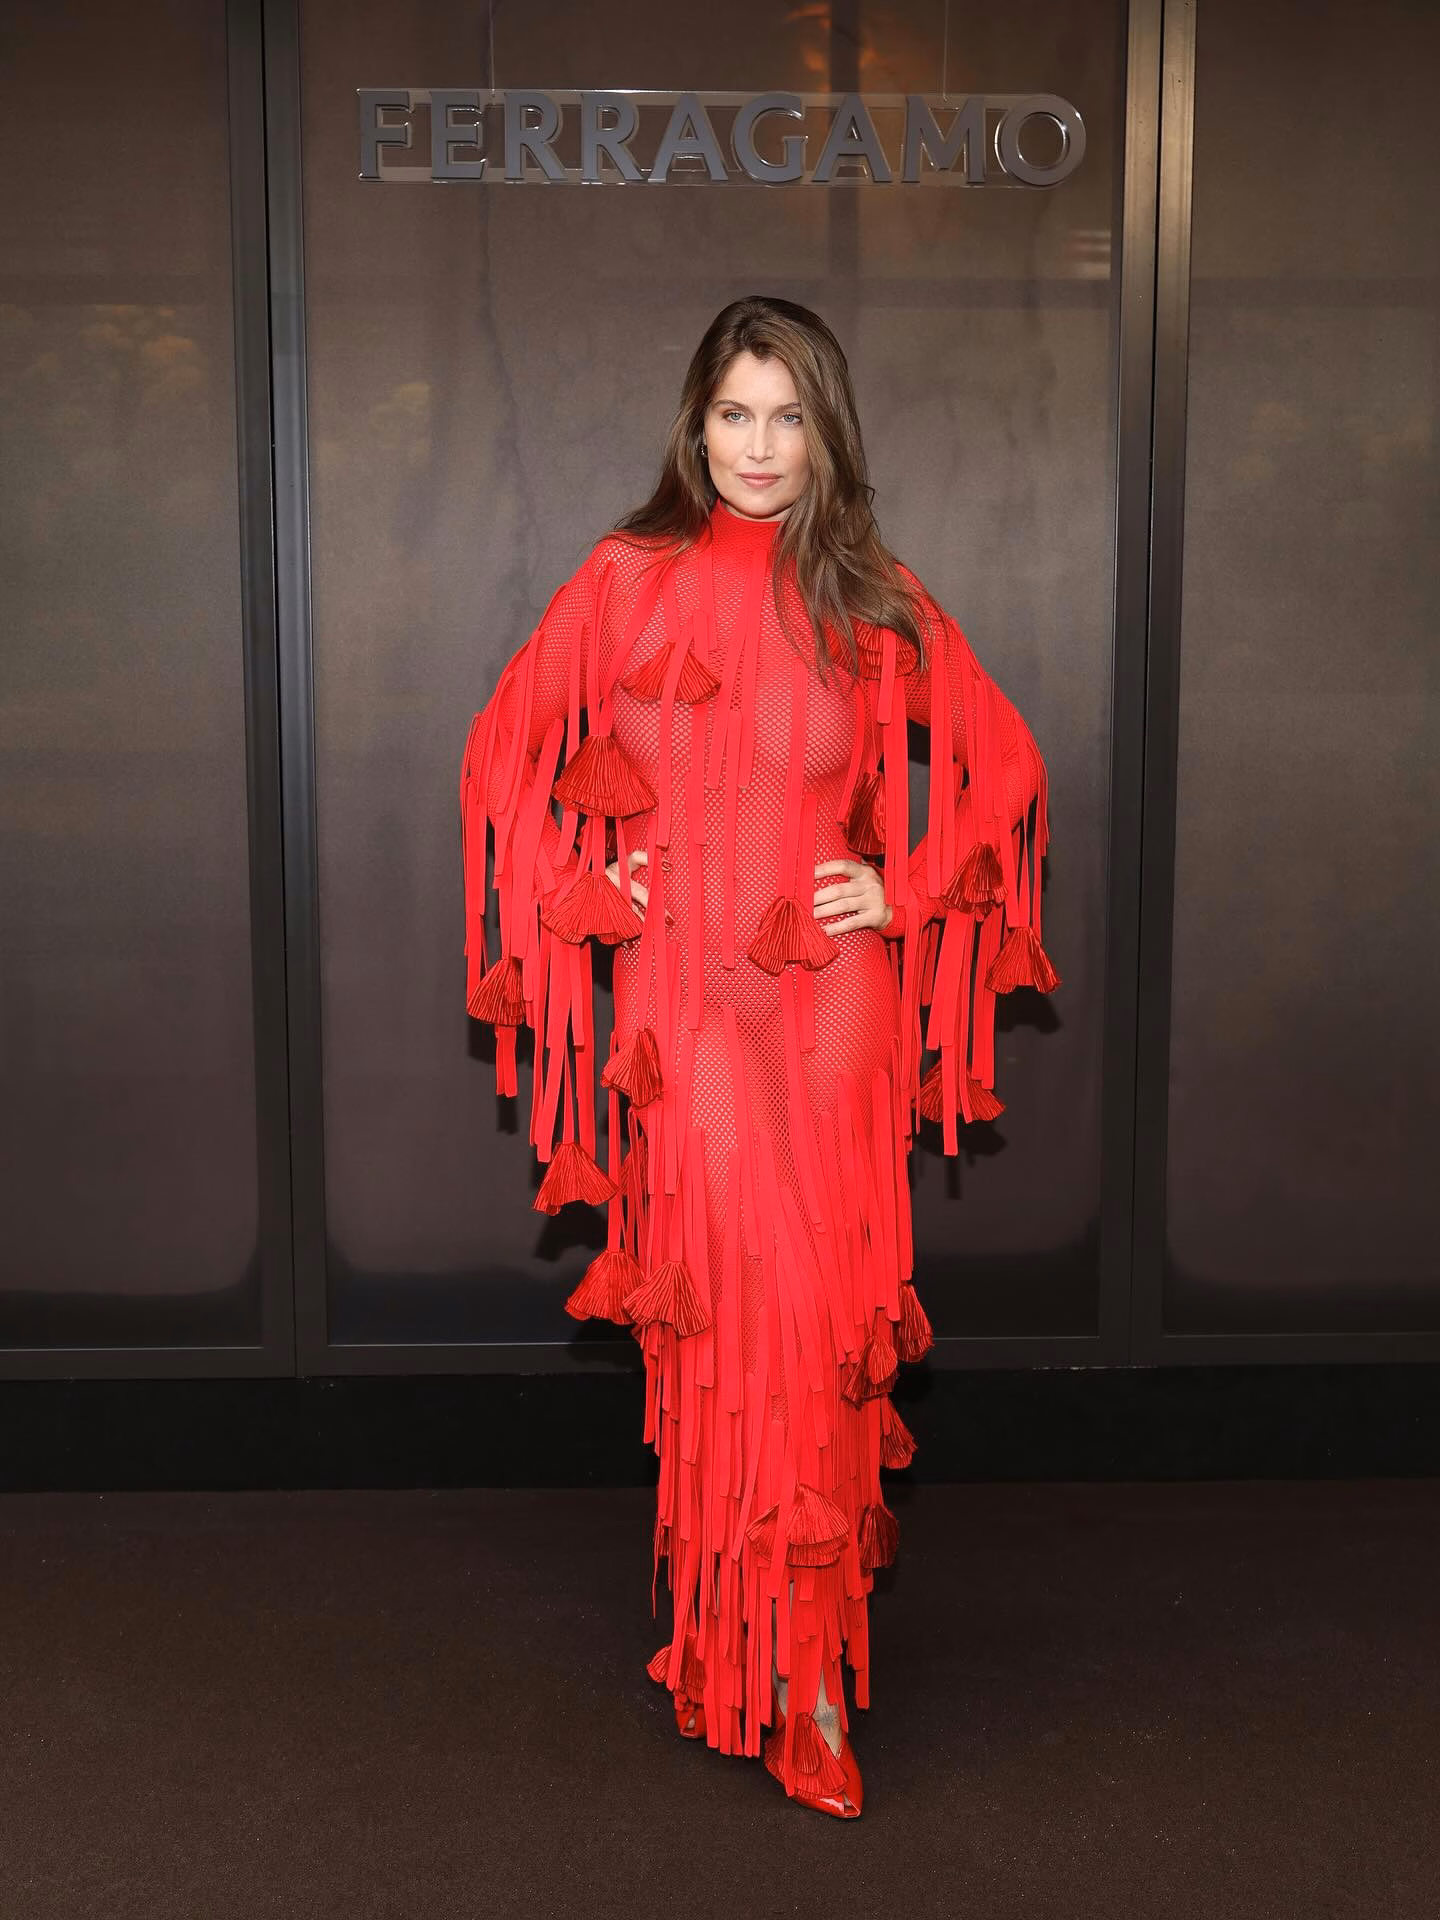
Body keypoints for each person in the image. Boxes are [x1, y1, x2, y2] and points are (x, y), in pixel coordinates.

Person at [459, 294, 1057, 1818]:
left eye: (790, 417)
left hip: (834, 1016)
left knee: (819, 1328)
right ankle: (744, 1652)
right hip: (689, 1016)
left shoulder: (865, 592)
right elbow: (500, 758)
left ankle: (808, 1686)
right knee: (738, 1327)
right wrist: (588, 890)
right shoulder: (628, 577)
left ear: (827, 431)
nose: (760, 447)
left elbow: (1008, 768)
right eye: (735, 413)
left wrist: (910, 890)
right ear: (695, 422)